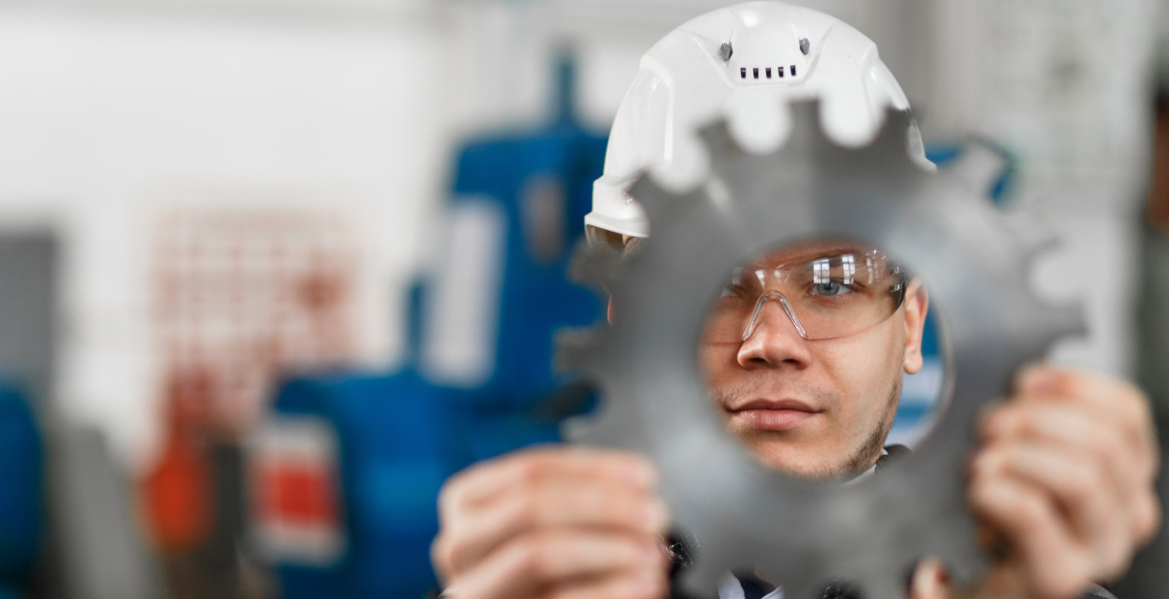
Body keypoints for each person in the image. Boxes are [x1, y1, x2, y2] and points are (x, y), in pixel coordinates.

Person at [430, 3, 1162, 598]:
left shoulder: (1010, 590)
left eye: (834, 280)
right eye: (712, 281)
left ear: (911, 321)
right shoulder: (543, 580)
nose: (770, 340)